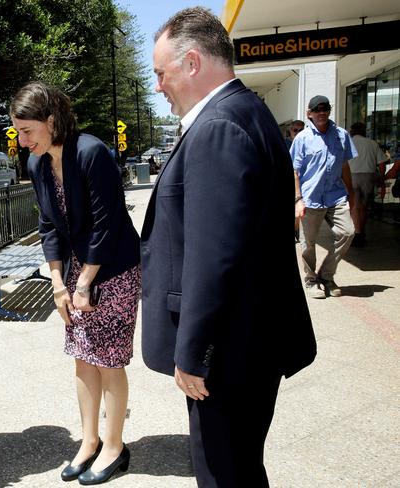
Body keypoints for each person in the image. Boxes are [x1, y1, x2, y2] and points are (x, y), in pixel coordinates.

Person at [141, 8, 316, 486]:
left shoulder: (218, 125)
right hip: (250, 338)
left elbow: (214, 255)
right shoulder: (247, 111)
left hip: (229, 349)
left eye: (161, 73)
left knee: (223, 473)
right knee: (239, 466)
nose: (159, 86)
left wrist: (194, 352)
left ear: (192, 62)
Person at [10, 82, 141, 485]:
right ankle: (89, 441)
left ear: (51, 121)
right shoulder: (36, 165)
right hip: (75, 272)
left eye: (28, 130)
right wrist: (58, 282)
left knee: (109, 359)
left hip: (115, 268)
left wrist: (84, 282)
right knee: (83, 358)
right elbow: (49, 225)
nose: (22, 141)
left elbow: (108, 222)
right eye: (18, 132)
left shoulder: (90, 151)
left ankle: (115, 446)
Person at [292, 95, 357, 299]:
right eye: (317, 109)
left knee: (348, 232)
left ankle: (327, 276)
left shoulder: (341, 135)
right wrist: (298, 199)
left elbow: (345, 165)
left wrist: (351, 191)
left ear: (329, 110)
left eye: (325, 109)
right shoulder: (302, 138)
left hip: (336, 195)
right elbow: (294, 171)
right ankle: (311, 281)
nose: (322, 112)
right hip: (310, 197)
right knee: (308, 243)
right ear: (309, 113)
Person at [348, 122, 389, 246]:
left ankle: (357, 232)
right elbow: (382, 164)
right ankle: (362, 231)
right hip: (368, 176)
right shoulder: (372, 143)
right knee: (364, 206)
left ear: (352, 131)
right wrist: (381, 178)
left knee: (354, 206)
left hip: (352, 175)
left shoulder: (347, 143)